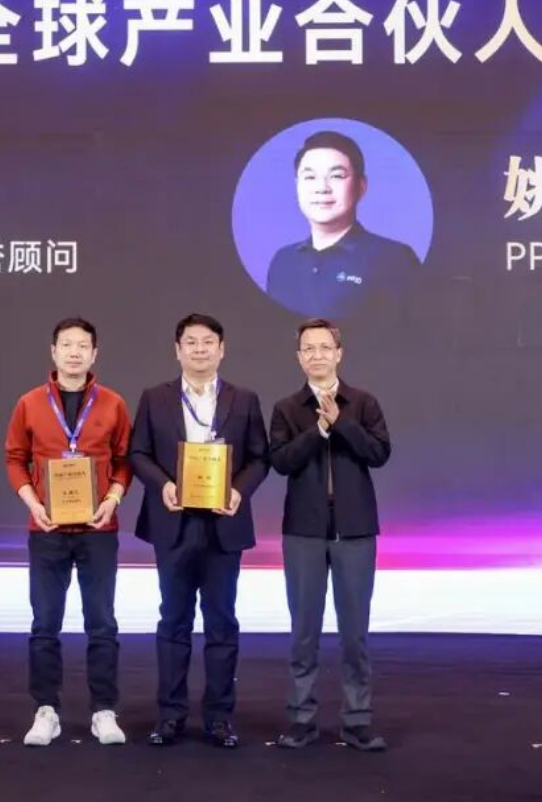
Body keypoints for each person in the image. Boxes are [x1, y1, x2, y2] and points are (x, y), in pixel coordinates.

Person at [129, 313, 270, 749]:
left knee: (221, 621)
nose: (200, 349)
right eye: (191, 342)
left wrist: (238, 491)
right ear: (178, 350)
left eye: (208, 342)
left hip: (223, 524)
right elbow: (138, 453)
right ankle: (170, 716)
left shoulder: (244, 399)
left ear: (221, 349)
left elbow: (260, 457)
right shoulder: (155, 397)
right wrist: (163, 485)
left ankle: (219, 718)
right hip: (173, 522)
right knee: (173, 619)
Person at [4, 317, 133, 747]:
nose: (74, 352)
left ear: (94, 354)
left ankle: (104, 710)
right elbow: (15, 459)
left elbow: (124, 461)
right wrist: (33, 504)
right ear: (54, 351)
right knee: (45, 623)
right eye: (66, 345)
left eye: (82, 346)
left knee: (102, 623)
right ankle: (46, 710)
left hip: (99, 529)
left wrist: (113, 499)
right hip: (48, 529)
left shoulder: (113, 404)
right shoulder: (29, 403)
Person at [268, 318, 392, 752]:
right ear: (299, 357)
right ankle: (301, 719)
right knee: (304, 631)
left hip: (355, 530)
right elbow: (281, 461)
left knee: (355, 632)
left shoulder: (363, 402)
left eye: (325, 347)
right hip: (303, 531)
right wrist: (318, 430)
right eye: (309, 348)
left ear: (339, 353)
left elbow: (379, 453)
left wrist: (342, 423)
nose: (317, 355)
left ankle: (357, 720)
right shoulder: (287, 408)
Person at [264, 130, 420, 319]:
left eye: (337, 176)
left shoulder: (394, 259)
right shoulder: (283, 261)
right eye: (310, 177)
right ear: (297, 185)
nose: (322, 188)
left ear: (361, 186)